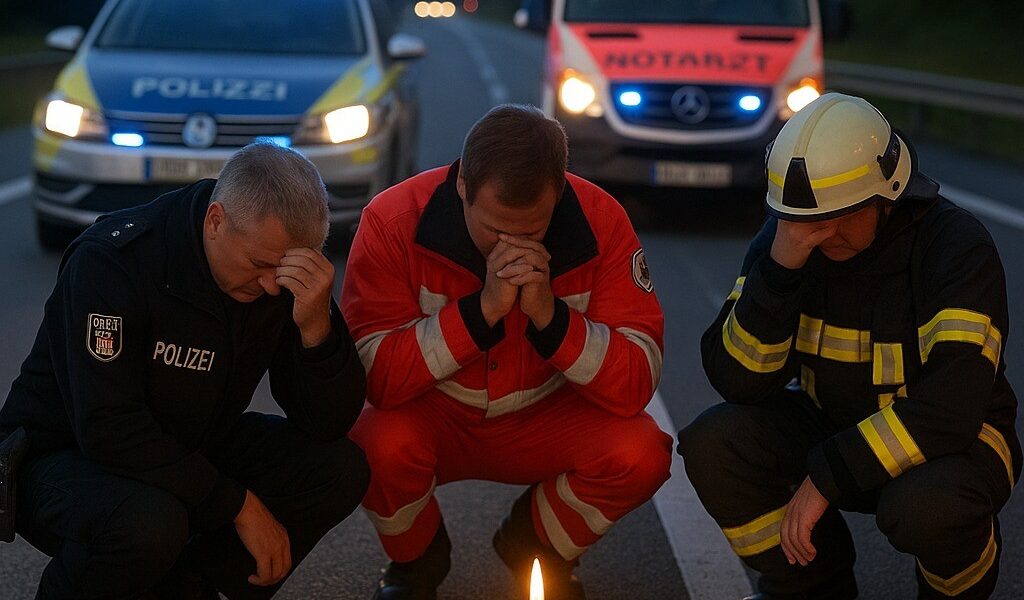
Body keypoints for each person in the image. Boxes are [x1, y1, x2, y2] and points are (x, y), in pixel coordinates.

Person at [678, 93, 1020, 599]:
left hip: (955, 441)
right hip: (834, 421)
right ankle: (810, 586)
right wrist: (777, 273)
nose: (821, 232)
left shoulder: (956, 247)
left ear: (889, 195)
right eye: (804, 219)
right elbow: (737, 379)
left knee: (928, 507)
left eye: (839, 215)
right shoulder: (790, 239)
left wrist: (827, 477)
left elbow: (950, 408)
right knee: (714, 443)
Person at [0, 142, 370, 599]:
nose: (271, 284)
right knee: (151, 522)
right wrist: (237, 505)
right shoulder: (115, 260)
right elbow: (108, 428)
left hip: (186, 445)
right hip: (64, 458)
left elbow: (327, 425)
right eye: (260, 265)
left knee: (338, 468)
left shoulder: (277, 271)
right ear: (215, 220)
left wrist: (318, 330)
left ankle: (192, 584)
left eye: (288, 269)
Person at [342, 104, 672, 600]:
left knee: (642, 451)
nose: (512, 245)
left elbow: (636, 382)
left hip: (547, 416)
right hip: (439, 414)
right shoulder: (391, 220)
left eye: (532, 230)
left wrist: (550, 317)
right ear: (461, 187)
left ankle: (535, 545)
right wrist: (482, 311)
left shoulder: (603, 221)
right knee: (371, 441)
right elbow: (376, 379)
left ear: (559, 193)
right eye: (496, 229)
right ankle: (416, 563)